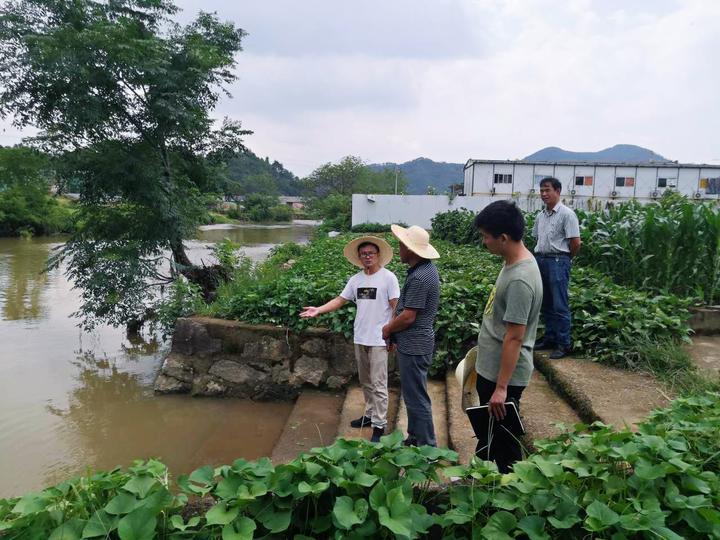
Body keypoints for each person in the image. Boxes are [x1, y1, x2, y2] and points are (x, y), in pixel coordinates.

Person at [300, 236, 399, 443]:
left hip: (380, 339)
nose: (367, 257)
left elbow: (395, 307)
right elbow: (340, 300)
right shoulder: (356, 280)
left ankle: (379, 426)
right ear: (359, 257)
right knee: (365, 381)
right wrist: (318, 309)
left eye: (371, 253)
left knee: (379, 383)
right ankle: (370, 415)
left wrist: (393, 334)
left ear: (378, 255)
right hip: (360, 336)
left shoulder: (389, 278)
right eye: (364, 254)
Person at [473, 200, 543, 473]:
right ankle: (484, 481)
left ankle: (512, 497)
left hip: (502, 379)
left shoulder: (520, 279)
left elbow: (515, 337)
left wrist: (501, 388)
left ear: (503, 238)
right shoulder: (512, 263)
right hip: (492, 369)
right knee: (490, 435)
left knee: (506, 444)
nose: (484, 242)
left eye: (486, 237)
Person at [382, 225, 440, 447]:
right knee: (413, 395)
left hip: (415, 345)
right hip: (415, 343)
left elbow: (408, 317)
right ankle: (415, 438)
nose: (398, 249)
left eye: (401, 245)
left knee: (416, 398)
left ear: (411, 250)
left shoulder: (420, 278)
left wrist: (388, 330)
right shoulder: (424, 270)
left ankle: (427, 447)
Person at [532, 177, 581, 359]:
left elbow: (575, 242)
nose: (544, 194)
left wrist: (566, 260)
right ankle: (550, 338)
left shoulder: (567, 215)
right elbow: (536, 238)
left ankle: (563, 343)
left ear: (558, 191)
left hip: (558, 261)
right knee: (545, 303)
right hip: (541, 260)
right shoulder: (541, 216)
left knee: (559, 304)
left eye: (547, 190)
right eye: (542, 190)